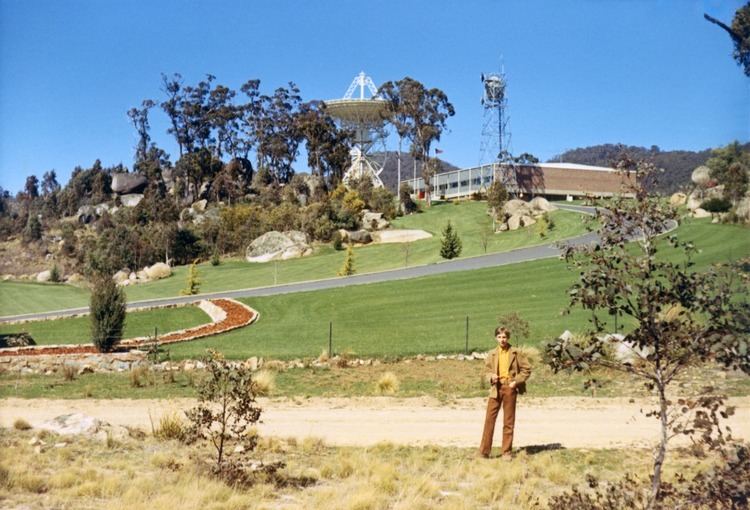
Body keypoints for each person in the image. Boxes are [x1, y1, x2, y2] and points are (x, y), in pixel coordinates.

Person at [478, 326, 531, 459]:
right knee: (489, 419)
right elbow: (486, 370)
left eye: (504, 337)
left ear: (508, 338)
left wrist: (516, 382)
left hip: (510, 388)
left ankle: (506, 452)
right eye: (500, 337)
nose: (502, 340)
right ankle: (484, 452)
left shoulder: (515, 352)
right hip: (496, 388)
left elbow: (527, 369)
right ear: (496, 338)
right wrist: (491, 376)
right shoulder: (492, 353)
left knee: (508, 421)